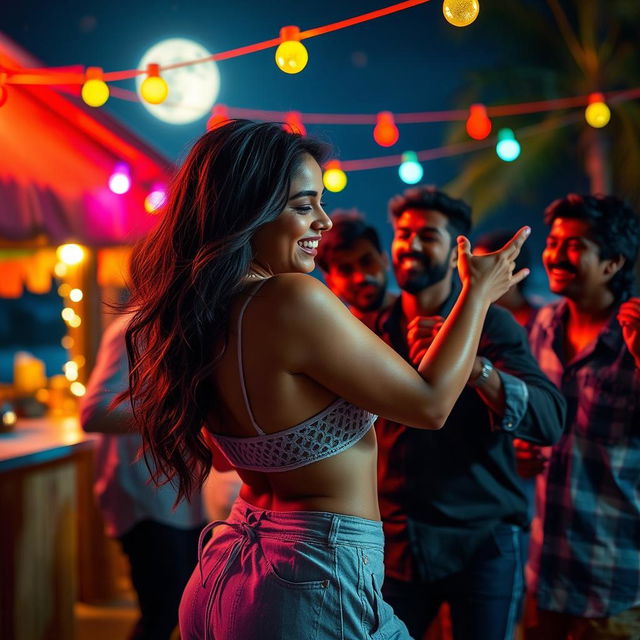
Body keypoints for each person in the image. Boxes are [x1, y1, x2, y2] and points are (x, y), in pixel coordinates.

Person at [121, 120, 530, 640]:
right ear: (250, 209)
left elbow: (228, 455)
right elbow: (430, 405)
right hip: (312, 578)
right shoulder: (294, 298)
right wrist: (477, 293)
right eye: (303, 205)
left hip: (229, 573)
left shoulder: (200, 313)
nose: (325, 221)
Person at [374, 186, 566, 640]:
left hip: (481, 540)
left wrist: (476, 369)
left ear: (457, 250)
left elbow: (549, 420)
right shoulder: (375, 327)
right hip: (397, 543)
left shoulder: (490, 322)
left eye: (428, 235)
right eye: (403, 234)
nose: (411, 245)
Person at [524, 194, 640, 640]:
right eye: (554, 242)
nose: (555, 255)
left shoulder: (634, 337)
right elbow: (533, 424)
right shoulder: (544, 326)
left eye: (574, 245)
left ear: (612, 262)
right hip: (545, 574)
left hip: (613, 586)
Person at [81, 314, 206, 640]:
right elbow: (94, 412)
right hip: (148, 498)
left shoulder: (192, 324)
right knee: (163, 616)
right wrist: (182, 415)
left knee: (184, 616)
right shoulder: (134, 328)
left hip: (186, 499)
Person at [316, 210, 396, 328]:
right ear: (331, 283)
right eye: (345, 270)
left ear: (384, 259)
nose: (361, 277)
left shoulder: (427, 315)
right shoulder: (333, 341)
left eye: (367, 261)